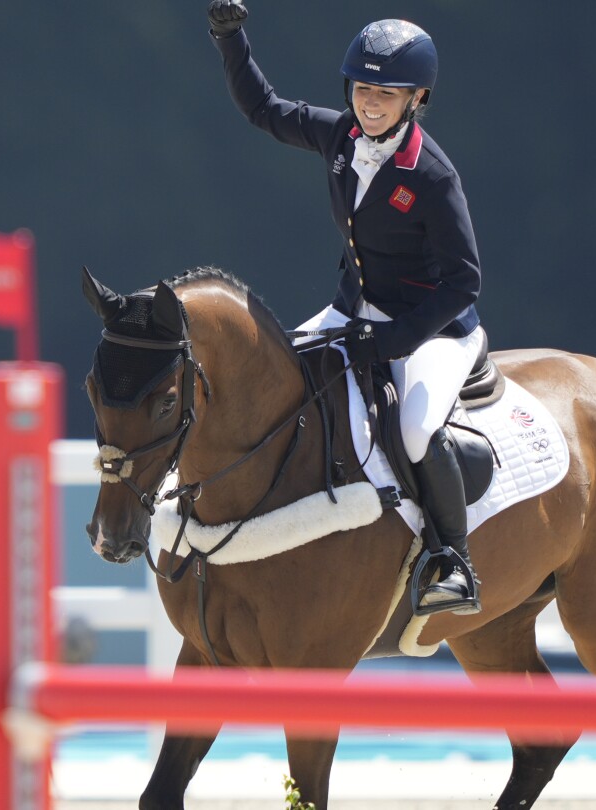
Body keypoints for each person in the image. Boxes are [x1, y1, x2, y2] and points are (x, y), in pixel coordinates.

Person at [207, 1, 485, 615]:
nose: (371, 102)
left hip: (433, 330)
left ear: (416, 98)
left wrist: (391, 343)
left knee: (414, 429)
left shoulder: (433, 177)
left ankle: (452, 560)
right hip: (355, 313)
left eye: (387, 92)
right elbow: (264, 109)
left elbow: (465, 283)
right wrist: (231, 40)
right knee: (277, 378)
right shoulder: (341, 137)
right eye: (363, 87)